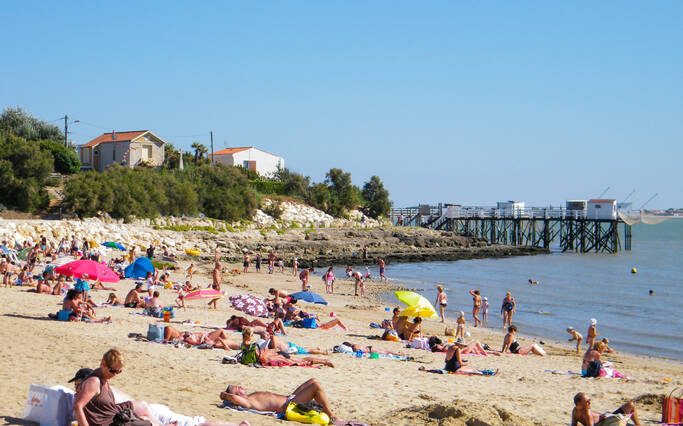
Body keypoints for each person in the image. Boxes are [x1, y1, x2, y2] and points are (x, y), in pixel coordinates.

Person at [69, 368, 250, 426]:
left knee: (195, 423)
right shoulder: (97, 396)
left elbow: (141, 412)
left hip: (151, 412)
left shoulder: (96, 395)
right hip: (147, 412)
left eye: (78, 385)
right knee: (195, 422)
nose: (76, 389)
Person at [74, 348, 158, 426]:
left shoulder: (103, 378)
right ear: (103, 363)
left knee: (143, 410)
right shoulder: (94, 381)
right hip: (109, 422)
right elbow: (78, 406)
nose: (115, 375)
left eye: (118, 372)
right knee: (147, 423)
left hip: (114, 415)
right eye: (112, 371)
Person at [220, 379, 341, 423]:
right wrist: (224, 395)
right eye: (238, 388)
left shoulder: (250, 396)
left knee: (313, 380)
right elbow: (232, 398)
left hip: (289, 398)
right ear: (236, 396)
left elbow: (234, 397)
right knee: (316, 387)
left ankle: (330, 413)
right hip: (287, 406)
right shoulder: (247, 402)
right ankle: (332, 416)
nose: (241, 387)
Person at [571, 392, 641, 426]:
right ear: (579, 403)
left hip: (607, 418)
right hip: (607, 422)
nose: (589, 403)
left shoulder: (576, 411)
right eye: (587, 401)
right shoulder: (586, 412)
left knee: (630, 405)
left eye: (589, 400)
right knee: (630, 405)